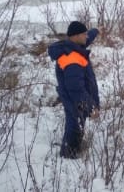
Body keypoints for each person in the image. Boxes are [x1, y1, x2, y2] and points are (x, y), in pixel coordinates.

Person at [48, 21, 100, 159]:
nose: (86, 36)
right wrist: (91, 106)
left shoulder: (74, 46)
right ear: (76, 36)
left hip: (75, 98)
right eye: (84, 34)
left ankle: (69, 151)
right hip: (74, 99)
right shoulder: (71, 59)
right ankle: (68, 155)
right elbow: (76, 89)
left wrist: (97, 30)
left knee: (77, 122)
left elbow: (88, 38)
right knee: (75, 126)